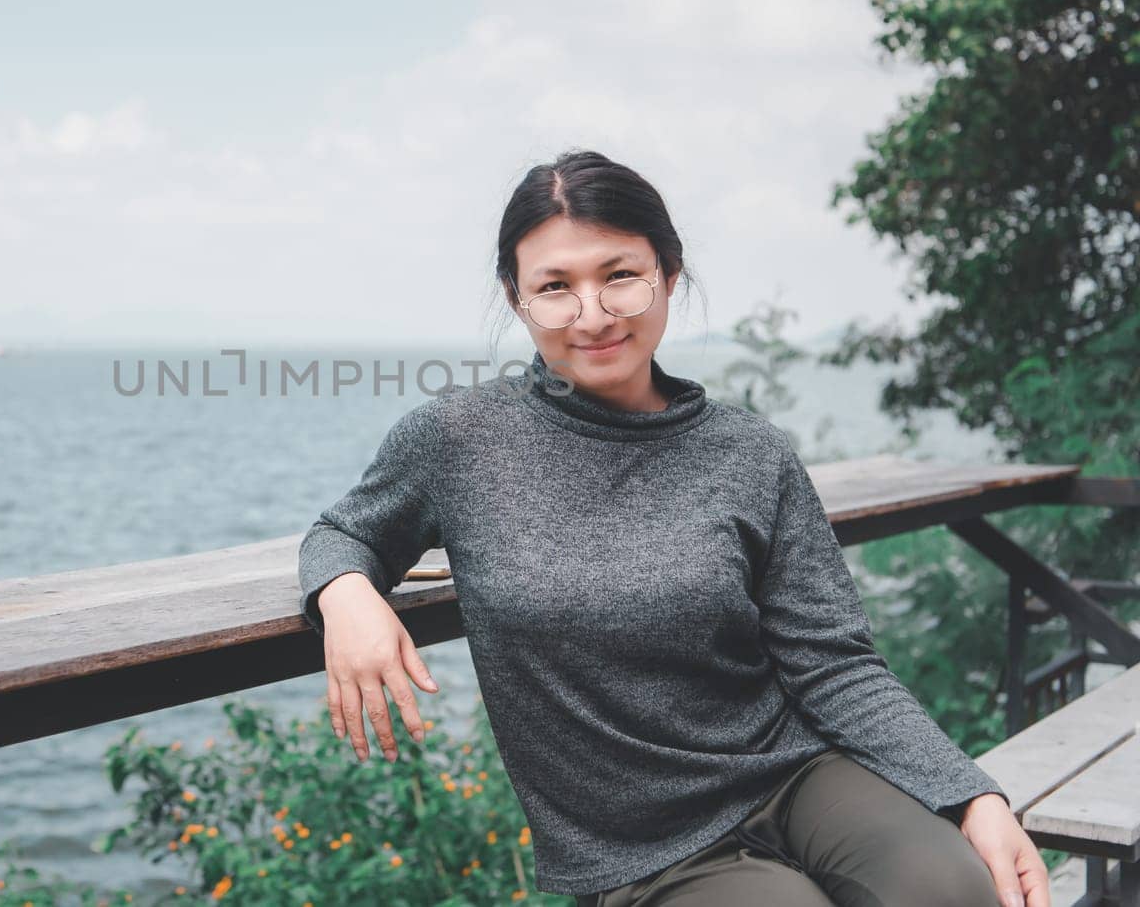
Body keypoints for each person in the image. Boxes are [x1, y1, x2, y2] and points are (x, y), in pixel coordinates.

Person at [296, 150, 1050, 905]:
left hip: (799, 773)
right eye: (555, 288)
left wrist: (972, 796)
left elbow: (835, 663)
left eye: (620, 275)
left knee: (954, 887)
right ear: (516, 299)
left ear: (670, 275)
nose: (592, 315)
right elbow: (344, 533)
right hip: (638, 844)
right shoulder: (458, 440)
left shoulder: (750, 452)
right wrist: (347, 594)